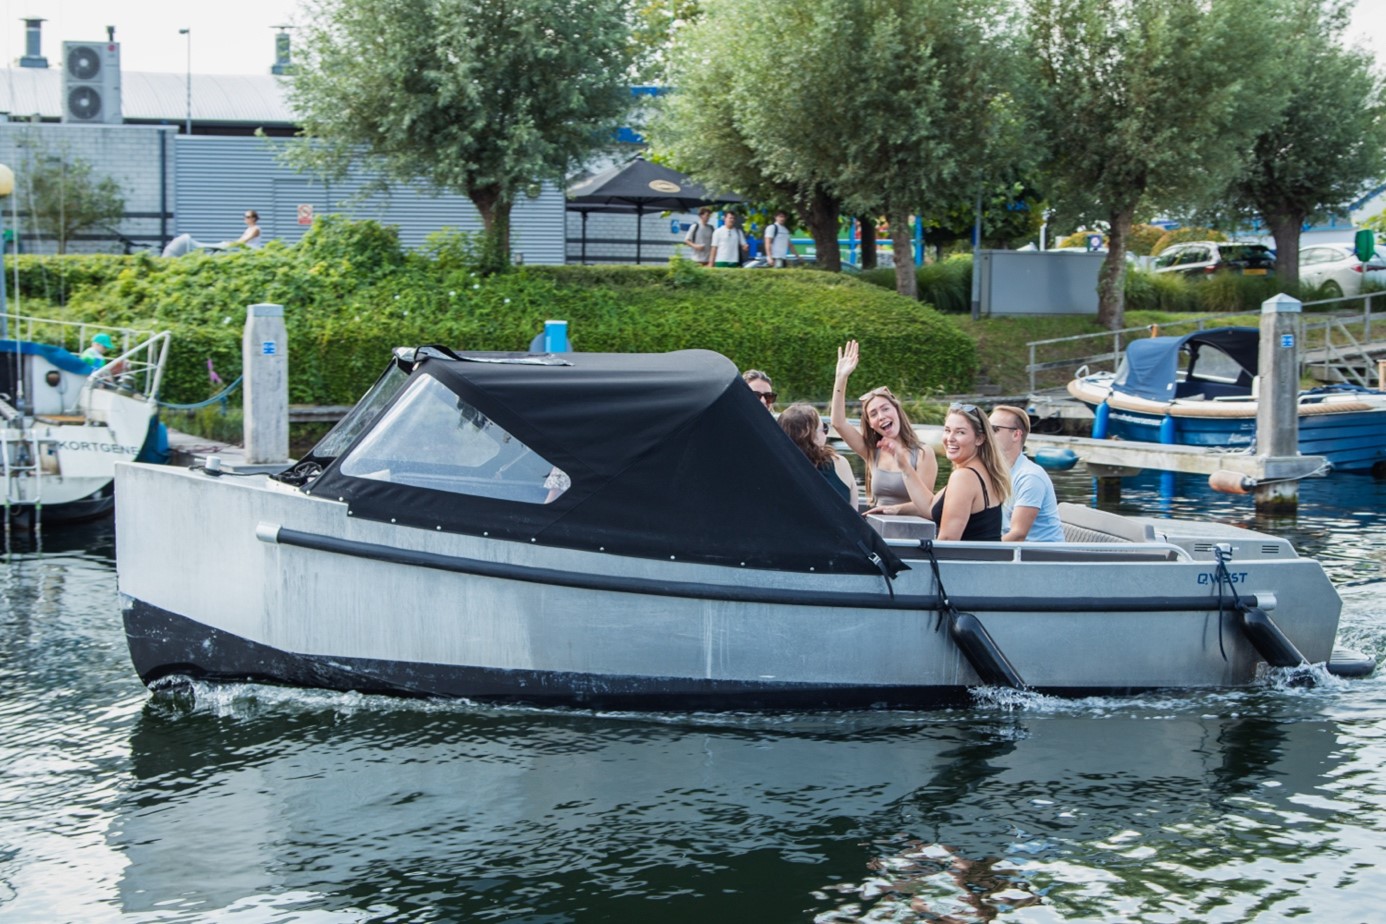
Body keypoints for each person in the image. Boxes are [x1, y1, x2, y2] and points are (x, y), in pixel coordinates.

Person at [830, 339, 937, 513]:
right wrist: (841, 378)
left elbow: (928, 507)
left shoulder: (924, 453)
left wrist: (894, 509)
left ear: (897, 410)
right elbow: (838, 423)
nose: (881, 417)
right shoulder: (872, 451)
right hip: (877, 529)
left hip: (911, 534)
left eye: (885, 409)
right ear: (871, 425)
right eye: (873, 414)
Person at [883, 402, 1010, 541]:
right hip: (985, 559)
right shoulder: (981, 470)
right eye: (948, 430)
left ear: (979, 439)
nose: (950, 438)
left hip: (967, 561)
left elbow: (948, 540)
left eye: (960, 432)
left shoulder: (964, 477)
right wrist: (905, 467)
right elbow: (930, 506)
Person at [989, 405, 1064, 542]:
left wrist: (980, 551)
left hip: (1040, 556)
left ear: (1016, 434)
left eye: (994, 429)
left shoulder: (1030, 477)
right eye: (985, 429)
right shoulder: (993, 472)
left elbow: (1018, 535)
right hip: (1014, 553)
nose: (986, 434)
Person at [779, 403, 857, 507]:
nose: (826, 433)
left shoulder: (779, 469)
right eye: (824, 428)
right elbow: (854, 513)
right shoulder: (840, 463)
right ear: (808, 435)